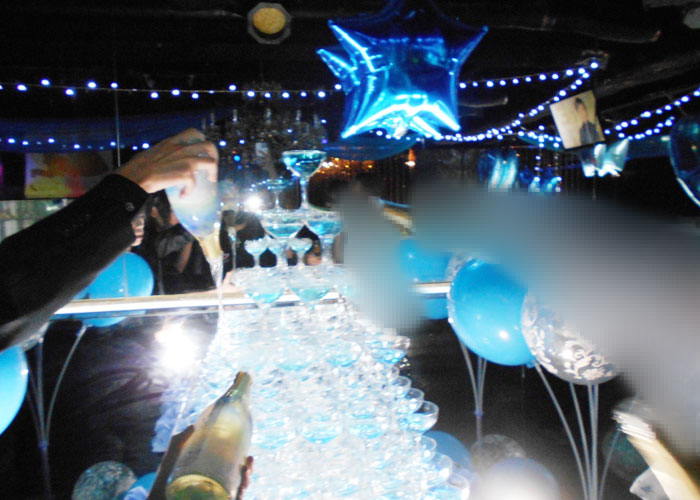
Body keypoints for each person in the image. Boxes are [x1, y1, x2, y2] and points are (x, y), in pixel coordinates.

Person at [0, 128, 218, 350]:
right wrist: (123, 191)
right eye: (133, 220)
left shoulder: (146, 248)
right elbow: (11, 301)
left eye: (138, 220)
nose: (136, 226)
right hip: (115, 341)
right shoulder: (105, 255)